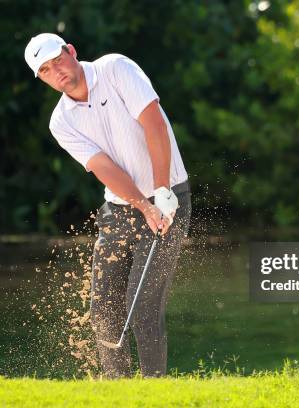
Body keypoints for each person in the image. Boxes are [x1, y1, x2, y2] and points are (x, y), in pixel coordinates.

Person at [24, 33, 191, 378]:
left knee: (143, 306)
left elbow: (154, 123)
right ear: (41, 79)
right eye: (45, 70)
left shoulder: (115, 68)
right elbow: (104, 168)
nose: (56, 72)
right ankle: (119, 392)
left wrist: (161, 191)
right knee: (103, 310)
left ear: (71, 52)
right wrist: (144, 206)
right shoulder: (61, 121)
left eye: (58, 60)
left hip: (170, 195)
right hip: (120, 210)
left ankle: (154, 392)